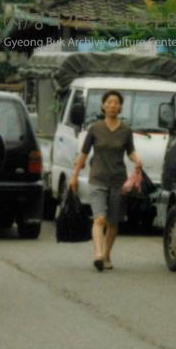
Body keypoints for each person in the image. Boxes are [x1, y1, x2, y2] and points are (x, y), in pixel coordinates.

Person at [69, 90, 144, 272]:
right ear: (103, 106)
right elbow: (84, 154)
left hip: (118, 180)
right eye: (109, 102)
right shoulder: (95, 128)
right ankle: (98, 255)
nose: (112, 105)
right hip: (97, 179)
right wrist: (74, 175)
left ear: (120, 107)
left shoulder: (125, 130)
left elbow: (130, 151)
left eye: (116, 103)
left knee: (112, 222)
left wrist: (137, 159)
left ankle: (107, 254)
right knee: (99, 219)